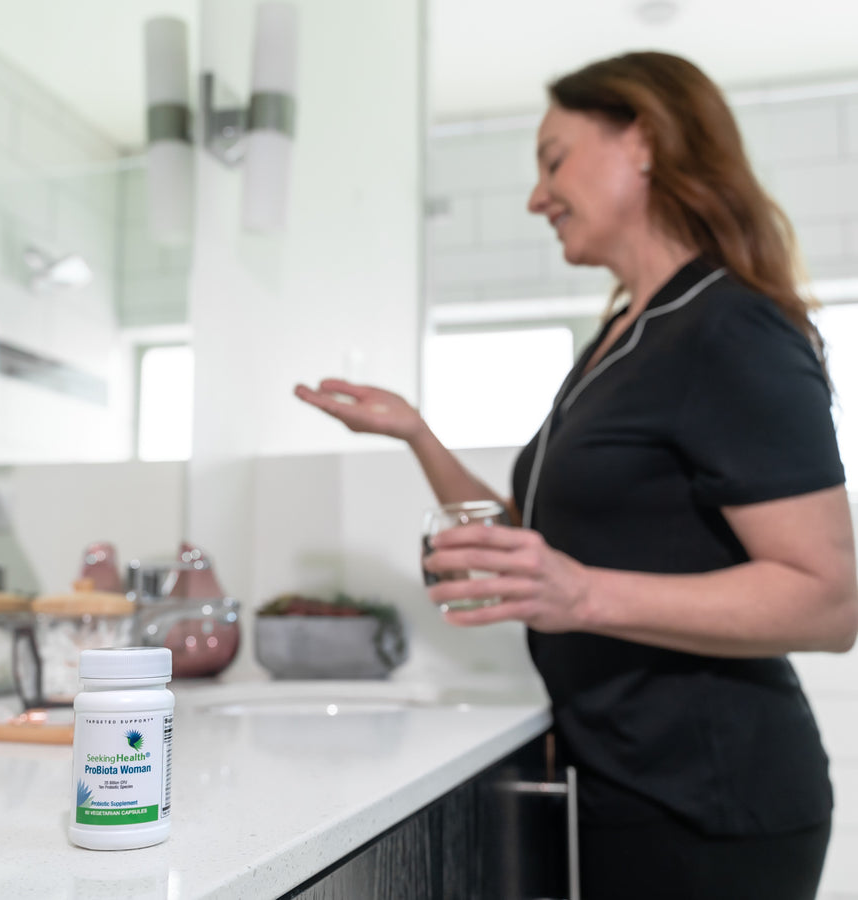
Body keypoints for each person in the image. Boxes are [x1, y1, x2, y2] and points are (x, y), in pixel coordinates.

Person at [296, 52, 857, 900]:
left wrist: (583, 594)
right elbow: (538, 544)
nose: (536, 197)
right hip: (621, 783)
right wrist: (416, 433)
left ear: (645, 142)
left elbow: (829, 601)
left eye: (553, 160)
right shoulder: (627, 334)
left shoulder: (729, 328)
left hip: (712, 807)